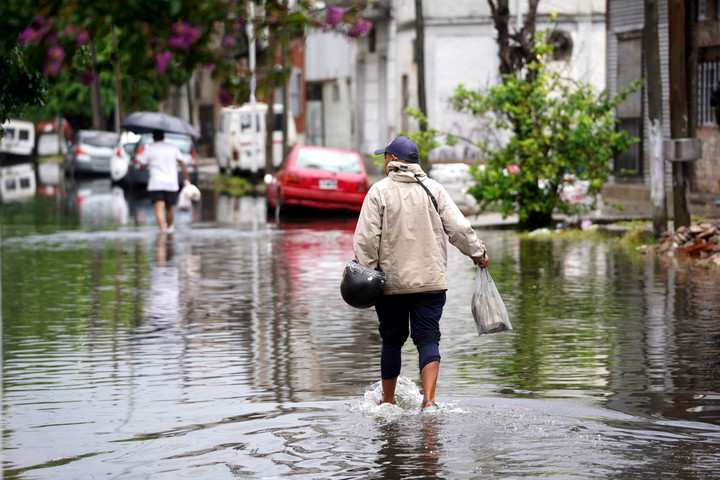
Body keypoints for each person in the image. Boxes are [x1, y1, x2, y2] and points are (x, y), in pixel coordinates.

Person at [353, 136, 489, 412]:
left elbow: (365, 241)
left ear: (393, 160)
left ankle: (388, 403)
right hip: (430, 282)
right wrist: (478, 253)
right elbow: (459, 229)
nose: (383, 161)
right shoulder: (435, 190)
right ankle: (429, 402)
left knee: (392, 339)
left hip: (391, 285)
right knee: (428, 338)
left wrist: (368, 276)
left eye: (385, 156)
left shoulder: (379, 192)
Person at [138, 130, 190, 233]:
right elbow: (182, 163)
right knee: (170, 208)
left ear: (153, 138)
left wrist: (147, 164)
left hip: (156, 183)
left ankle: (162, 232)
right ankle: (169, 229)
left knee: (159, 208)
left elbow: (142, 166)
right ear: (163, 137)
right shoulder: (173, 148)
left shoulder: (149, 149)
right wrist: (187, 179)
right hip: (171, 184)